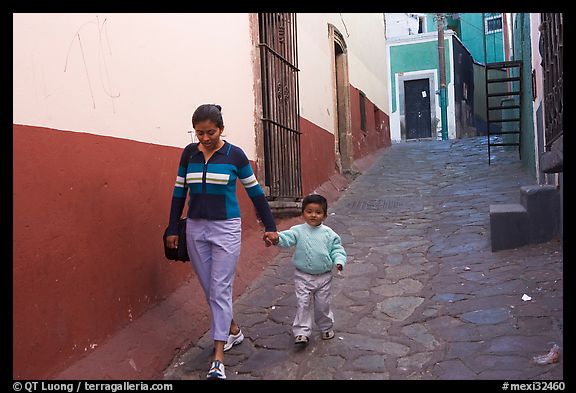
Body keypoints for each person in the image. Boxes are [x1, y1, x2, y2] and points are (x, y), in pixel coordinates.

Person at [165, 104, 279, 380]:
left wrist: (270, 226)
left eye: (211, 133)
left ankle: (218, 357)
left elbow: (255, 194)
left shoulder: (235, 155)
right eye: (199, 133)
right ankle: (234, 331)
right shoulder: (188, 154)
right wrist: (172, 227)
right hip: (195, 229)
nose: (204, 139)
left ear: (222, 129)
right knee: (210, 288)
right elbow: (179, 192)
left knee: (219, 287)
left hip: (226, 228)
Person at [264, 194, 346, 345]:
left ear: (325, 215)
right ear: (303, 213)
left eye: (318, 212)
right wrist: (276, 238)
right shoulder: (298, 231)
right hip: (302, 276)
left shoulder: (329, 234)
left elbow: (337, 249)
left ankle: (326, 327)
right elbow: (286, 238)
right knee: (303, 304)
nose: (313, 215)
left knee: (323, 305)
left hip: (323, 277)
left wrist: (339, 261)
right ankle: (302, 332)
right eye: (309, 211)